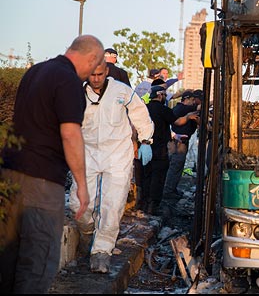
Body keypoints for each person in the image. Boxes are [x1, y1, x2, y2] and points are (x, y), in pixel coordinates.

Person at [0, 34, 104, 294]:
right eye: (94, 67)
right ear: (92, 58)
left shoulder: (35, 72)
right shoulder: (68, 81)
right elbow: (70, 134)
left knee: (6, 261)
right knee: (37, 263)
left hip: (10, 175)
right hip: (42, 182)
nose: (93, 74)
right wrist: (82, 184)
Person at [68, 57, 154, 274]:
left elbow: (140, 112)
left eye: (100, 74)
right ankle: (88, 235)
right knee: (79, 205)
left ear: (106, 71)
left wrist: (145, 140)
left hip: (117, 154)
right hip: (87, 153)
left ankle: (102, 252)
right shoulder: (76, 94)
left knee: (112, 205)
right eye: (92, 75)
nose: (96, 79)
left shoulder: (122, 91)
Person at [143, 85, 199, 215]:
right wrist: (189, 116)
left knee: (147, 175)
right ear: (160, 95)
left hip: (145, 147)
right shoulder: (163, 109)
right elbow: (177, 122)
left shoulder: (144, 108)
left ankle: (145, 203)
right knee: (158, 176)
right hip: (159, 148)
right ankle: (153, 205)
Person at [162, 90, 201, 203]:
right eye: (192, 100)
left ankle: (171, 189)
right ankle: (168, 191)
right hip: (178, 143)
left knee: (177, 167)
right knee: (175, 166)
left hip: (180, 142)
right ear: (186, 99)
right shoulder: (181, 109)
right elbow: (177, 122)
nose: (193, 102)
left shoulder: (183, 109)